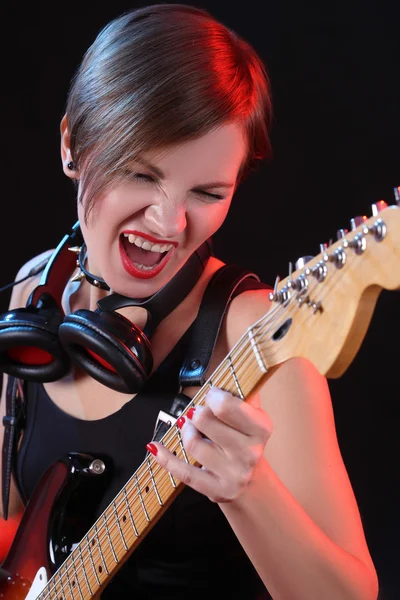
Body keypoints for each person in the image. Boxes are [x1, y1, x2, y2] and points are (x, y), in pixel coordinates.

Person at [0, 3, 379, 599]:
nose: (170, 222)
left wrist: (248, 493)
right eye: (142, 175)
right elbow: (10, 526)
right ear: (73, 144)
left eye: (207, 191)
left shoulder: (259, 334)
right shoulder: (34, 298)